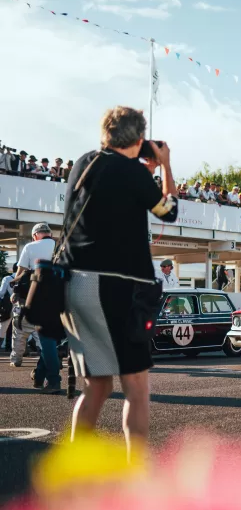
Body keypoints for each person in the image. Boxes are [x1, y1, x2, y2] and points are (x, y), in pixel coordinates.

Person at [60, 105, 178, 459]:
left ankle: (76, 467)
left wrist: (144, 170)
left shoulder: (84, 163)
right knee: (136, 386)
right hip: (117, 287)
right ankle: (135, 473)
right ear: (140, 139)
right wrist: (166, 166)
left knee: (96, 385)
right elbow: (168, 211)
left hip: (74, 285)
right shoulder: (131, 172)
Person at [11, 223, 61, 391]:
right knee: (51, 339)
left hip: (42, 297)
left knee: (46, 339)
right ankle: (39, 376)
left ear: (35, 235)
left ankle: (54, 380)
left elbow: (20, 274)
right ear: (49, 233)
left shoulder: (31, 247)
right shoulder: (62, 246)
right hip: (64, 295)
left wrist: (14, 289)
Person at [0, 264, 15, 351]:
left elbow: (1, 293)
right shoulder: (25, 277)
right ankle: (14, 348)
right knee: (18, 329)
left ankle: (7, 346)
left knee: (4, 327)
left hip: (8, 306)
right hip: (21, 306)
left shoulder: (7, 279)